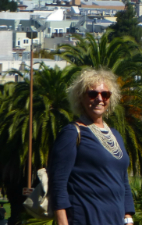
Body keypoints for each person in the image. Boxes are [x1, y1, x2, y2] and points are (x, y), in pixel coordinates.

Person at [48, 69, 135, 225]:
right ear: (80, 97)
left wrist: (128, 218)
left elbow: (123, 182)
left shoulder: (115, 135)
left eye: (105, 94)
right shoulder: (72, 133)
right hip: (86, 218)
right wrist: (62, 222)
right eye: (92, 94)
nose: (99, 99)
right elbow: (58, 183)